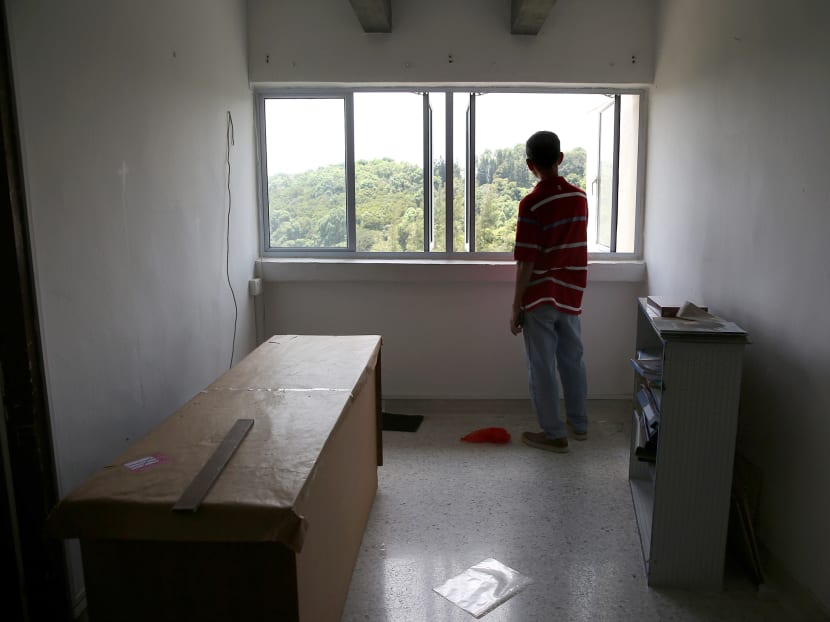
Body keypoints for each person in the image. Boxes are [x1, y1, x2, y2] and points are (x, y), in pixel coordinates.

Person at [510, 130, 588, 453]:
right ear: (560, 159)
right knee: (573, 360)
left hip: (540, 297)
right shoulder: (579, 198)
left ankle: (554, 434)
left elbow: (527, 260)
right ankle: (579, 424)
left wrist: (516, 306)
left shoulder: (531, 204)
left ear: (530, 165)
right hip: (571, 293)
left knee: (541, 366)